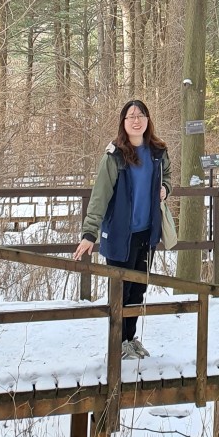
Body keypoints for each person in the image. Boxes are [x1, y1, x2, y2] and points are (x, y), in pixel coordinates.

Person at [74, 99, 172, 360]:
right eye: (130, 117)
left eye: (141, 115)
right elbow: (100, 195)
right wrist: (89, 233)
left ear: (148, 120)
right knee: (121, 290)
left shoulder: (157, 152)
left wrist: (166, 189)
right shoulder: (115, 155)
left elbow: (169, 176)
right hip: (119, 235)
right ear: (123, 123)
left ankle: (130, 338)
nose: (136, 120)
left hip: (146, 234)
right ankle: (117, 341)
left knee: (139, 289)